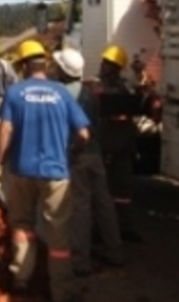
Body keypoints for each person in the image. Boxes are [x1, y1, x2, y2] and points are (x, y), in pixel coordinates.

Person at [0, 39, 90, 301]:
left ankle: (21, 279)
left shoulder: (15, 93)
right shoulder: (62, 93)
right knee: (58, 236)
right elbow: (83, 133)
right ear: (44, 64)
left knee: (22, 224)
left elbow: (5, 130)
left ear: (23, 66)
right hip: (56, 173)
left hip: (22, 170)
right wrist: (69, 151)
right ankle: (62, 290)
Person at [54, 46, 125, 277]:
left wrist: (73, 150)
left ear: (63, 71)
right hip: (94, 154)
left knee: (81, 207)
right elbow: (96, 125)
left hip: (78, 154)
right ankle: (115, 252)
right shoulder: (89, 93)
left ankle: (80, 261)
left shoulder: (62, 93)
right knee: (104, 202)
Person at [95, 44, 144, 242]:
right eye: (104, 62)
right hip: (106, 145)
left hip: (120, 146)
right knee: (102, 190)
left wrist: (139, 76)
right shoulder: (96, 87)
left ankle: (123, 227)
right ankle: (101, 230)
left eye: (108, 63)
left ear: (116, 67)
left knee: (122, 190)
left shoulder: (123, 88)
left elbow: (139, 101)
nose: (103, 66)